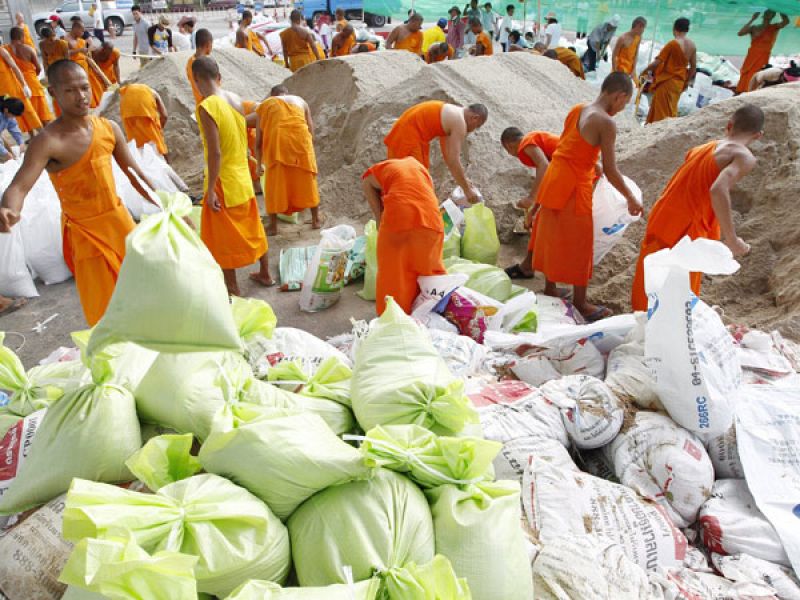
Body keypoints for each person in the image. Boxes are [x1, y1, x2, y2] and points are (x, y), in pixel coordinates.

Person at [0, 60, 158, 326]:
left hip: (120, 225)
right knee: (107, 313)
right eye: (70, 90)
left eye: (84, 87)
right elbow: (19, 186)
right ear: (54, 93)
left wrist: (168, 208)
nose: (81, 96)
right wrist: (8, 208)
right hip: (87, 237)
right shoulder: (48, 141)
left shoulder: (108, 128)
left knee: (143, 296)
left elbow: (136, 175)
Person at [631, 104, 765, 311]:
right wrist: (732, 239)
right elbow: (718, 190)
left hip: (663, 216)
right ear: (758, 135)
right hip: (687, 228)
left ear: (729, 125)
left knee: (652, 277)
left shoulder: (703, 148)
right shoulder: (743, 156)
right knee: (678, 289)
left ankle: (641, 320)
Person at [532, 72, 642, 321]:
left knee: (553, 237)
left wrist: (593, 164)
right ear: (619, 96)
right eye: (624, 104)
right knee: (581, 245)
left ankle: (550, 288)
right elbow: (612, 170)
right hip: (573, 187)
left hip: (554, 181)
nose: (621, 109)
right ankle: (580, 303)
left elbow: (570, 147)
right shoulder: (605, 122)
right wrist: (630, 197)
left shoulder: (579, 109)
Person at [190, 56, 272, 294]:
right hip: (242, 176)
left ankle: (233, 287)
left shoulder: (207, 106)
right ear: (219, 77)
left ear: (196, 80)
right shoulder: (235, 99)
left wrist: (210, 189)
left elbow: (215, 152)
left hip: (223, 180)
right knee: (253, 226)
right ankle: (265, 273)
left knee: (222, 236)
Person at [362, 156, 446, 315]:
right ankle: (431, 314)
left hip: (399, 218)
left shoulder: (380, 169)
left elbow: (367, 182)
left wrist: (379, 217)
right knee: (428, 272)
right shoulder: (421, 170)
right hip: (432, 221)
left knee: (394, 273)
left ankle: (393, 317)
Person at [384, 100, 488, 203]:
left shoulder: (453, 114)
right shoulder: (460, 123)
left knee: (418, 181)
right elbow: (453, 160)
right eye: (477, 126)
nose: (473, 130)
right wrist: (467, 190)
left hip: (407, 135)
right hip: (408, 139)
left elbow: (448, 156)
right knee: (413, 184)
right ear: (475, 118)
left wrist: (464, 182)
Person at [255, 84, 321, 236]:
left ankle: (273, 226)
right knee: (308, 181)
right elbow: (311, 130)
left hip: (278, 144)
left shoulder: (266, 104)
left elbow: (258, 141)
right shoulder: (301, 101)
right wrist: (308, 153)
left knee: (274, 184)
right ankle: (316, 220)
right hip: (301, 143)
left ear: (273, 95)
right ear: (286, 93)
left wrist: (258, 165)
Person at [500, 126, 560, 279]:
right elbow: (548, 175)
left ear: (509, 145)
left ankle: (532, 268)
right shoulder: (536, 142)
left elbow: (544, 165)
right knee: (541, 223)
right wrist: (533, 209)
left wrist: (531, 198)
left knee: (545, 226)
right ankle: (529, 266)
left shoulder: (526, 143)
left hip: (577, 177)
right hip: (568, 177)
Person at [643, 18, 696, 124]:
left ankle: (657, 130)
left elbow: (657, 62)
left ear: (674, 28)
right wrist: (686, 82)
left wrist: (644, 71)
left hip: (666, 82)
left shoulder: (673, 44)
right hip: (679, 83)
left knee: (660, 113)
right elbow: (693, 67)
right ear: (687, 30)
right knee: (671, 109)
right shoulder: (692, 45)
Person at [736, 11, 790, 94]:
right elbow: (740, 33)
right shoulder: (754, 27)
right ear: (763, 15)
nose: (768, 15)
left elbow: (786, 22)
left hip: (763, 56)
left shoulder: (774, 27)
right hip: (752, 54)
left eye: (771, 14)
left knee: (758, 72)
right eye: (767, 13)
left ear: (773, 16)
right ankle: (741, 90)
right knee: (746, 71)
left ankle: (752, 91)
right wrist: (752, 19)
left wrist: (781, 10)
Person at [7, 28, 53, 127]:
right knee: (42, 112)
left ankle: (32, 134)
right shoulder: (28, 49)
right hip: (32, 83)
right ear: (21, 37)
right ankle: (47, 132)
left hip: (17, 84)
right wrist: (33, 76)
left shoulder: (6, 50)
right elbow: (38, 68)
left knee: (26, 112)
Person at [119, 82, 168, 160]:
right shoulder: (153, 93)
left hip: (125, 102)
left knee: (136, 141)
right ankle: (165, 162)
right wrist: (160, 129)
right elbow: (164, 116)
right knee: (158, 143)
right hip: (140, 103)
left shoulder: (128, 94)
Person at [67, 21, 109, 109]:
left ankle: (94, 102)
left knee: (94, 84)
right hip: (75, 67)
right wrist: (79, 50)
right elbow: (66, 53)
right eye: (81, 31)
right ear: (75, 29)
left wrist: (88, 53)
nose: (83, 33)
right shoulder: (66, 39)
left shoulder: (81, 40)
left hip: (85, 65)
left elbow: (86, 53)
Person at [0, 46, 40, 136]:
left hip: (14, 89)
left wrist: (24, 85)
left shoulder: (1, 51)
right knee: (11, 118)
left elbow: (15, 67)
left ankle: (44, 135)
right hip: (2, 95)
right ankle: (31, 137)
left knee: (29, 112)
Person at [186, 28, 213, 105]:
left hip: (199, 104)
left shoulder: (189, 62)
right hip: (209, 104)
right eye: (211, 45)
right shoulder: (205, 64)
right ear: (208, 44)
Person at [0, 97, 27, 162]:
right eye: (13, 115)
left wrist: (21, 142)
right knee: (5, 155)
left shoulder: (9, 115)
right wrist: (5, 152)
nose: (13, 117)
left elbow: (14, 127)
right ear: (6, 110)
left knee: (9, 153)